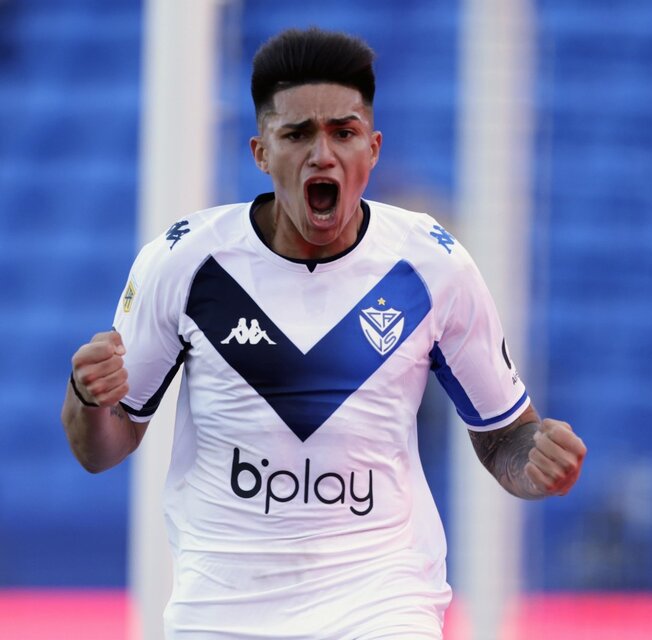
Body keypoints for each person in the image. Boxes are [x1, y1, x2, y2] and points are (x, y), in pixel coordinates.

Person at [60, 27, 585, 639]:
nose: (323, 153)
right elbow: (99, 449)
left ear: (374, 147)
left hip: (382, 602)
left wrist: (540, 460)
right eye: (298, 134)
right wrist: (86, 394)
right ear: (260, 151)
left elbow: (504, 440)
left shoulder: (431, 265)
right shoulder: (185, 262)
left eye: (343, 132)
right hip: (223, 609)